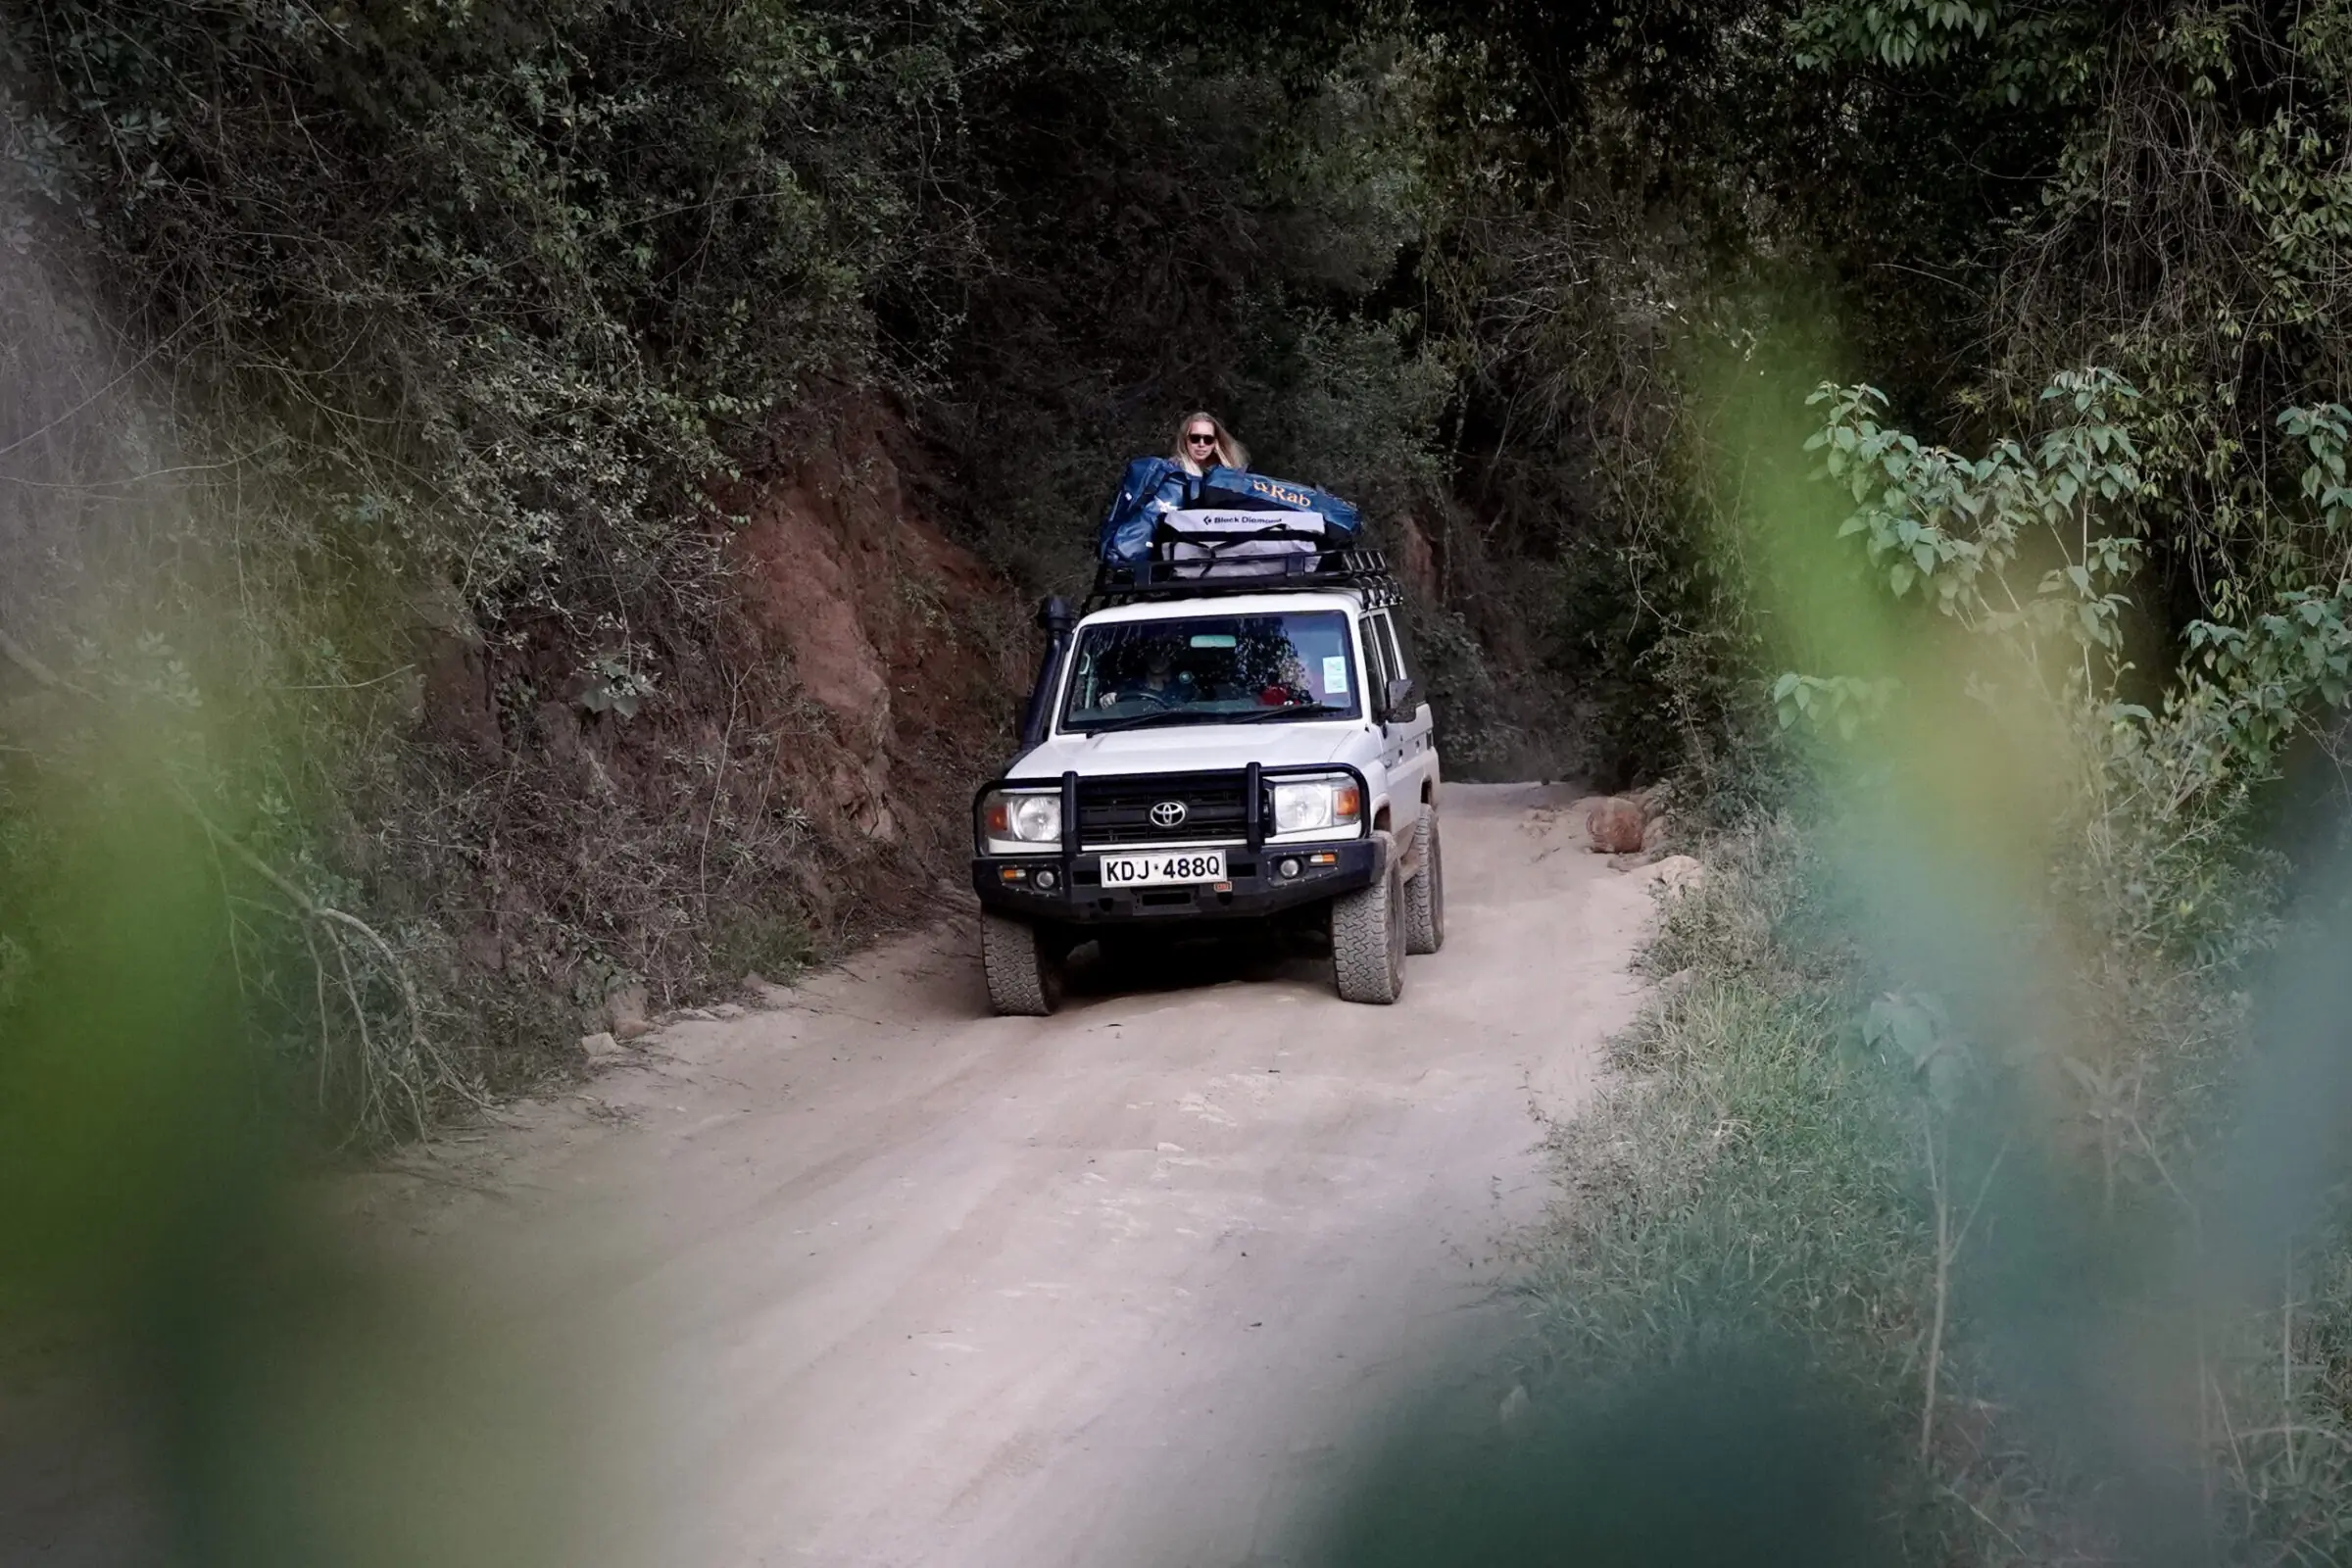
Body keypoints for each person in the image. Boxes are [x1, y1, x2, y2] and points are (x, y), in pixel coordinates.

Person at [1172, 412, 1249, 477]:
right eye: (1195, 438)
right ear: (1185, 440)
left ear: (1216, 442)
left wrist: (1225, 462)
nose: (1201, 444)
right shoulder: (1173, 471)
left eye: (1208, 439)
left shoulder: (1220, 470)